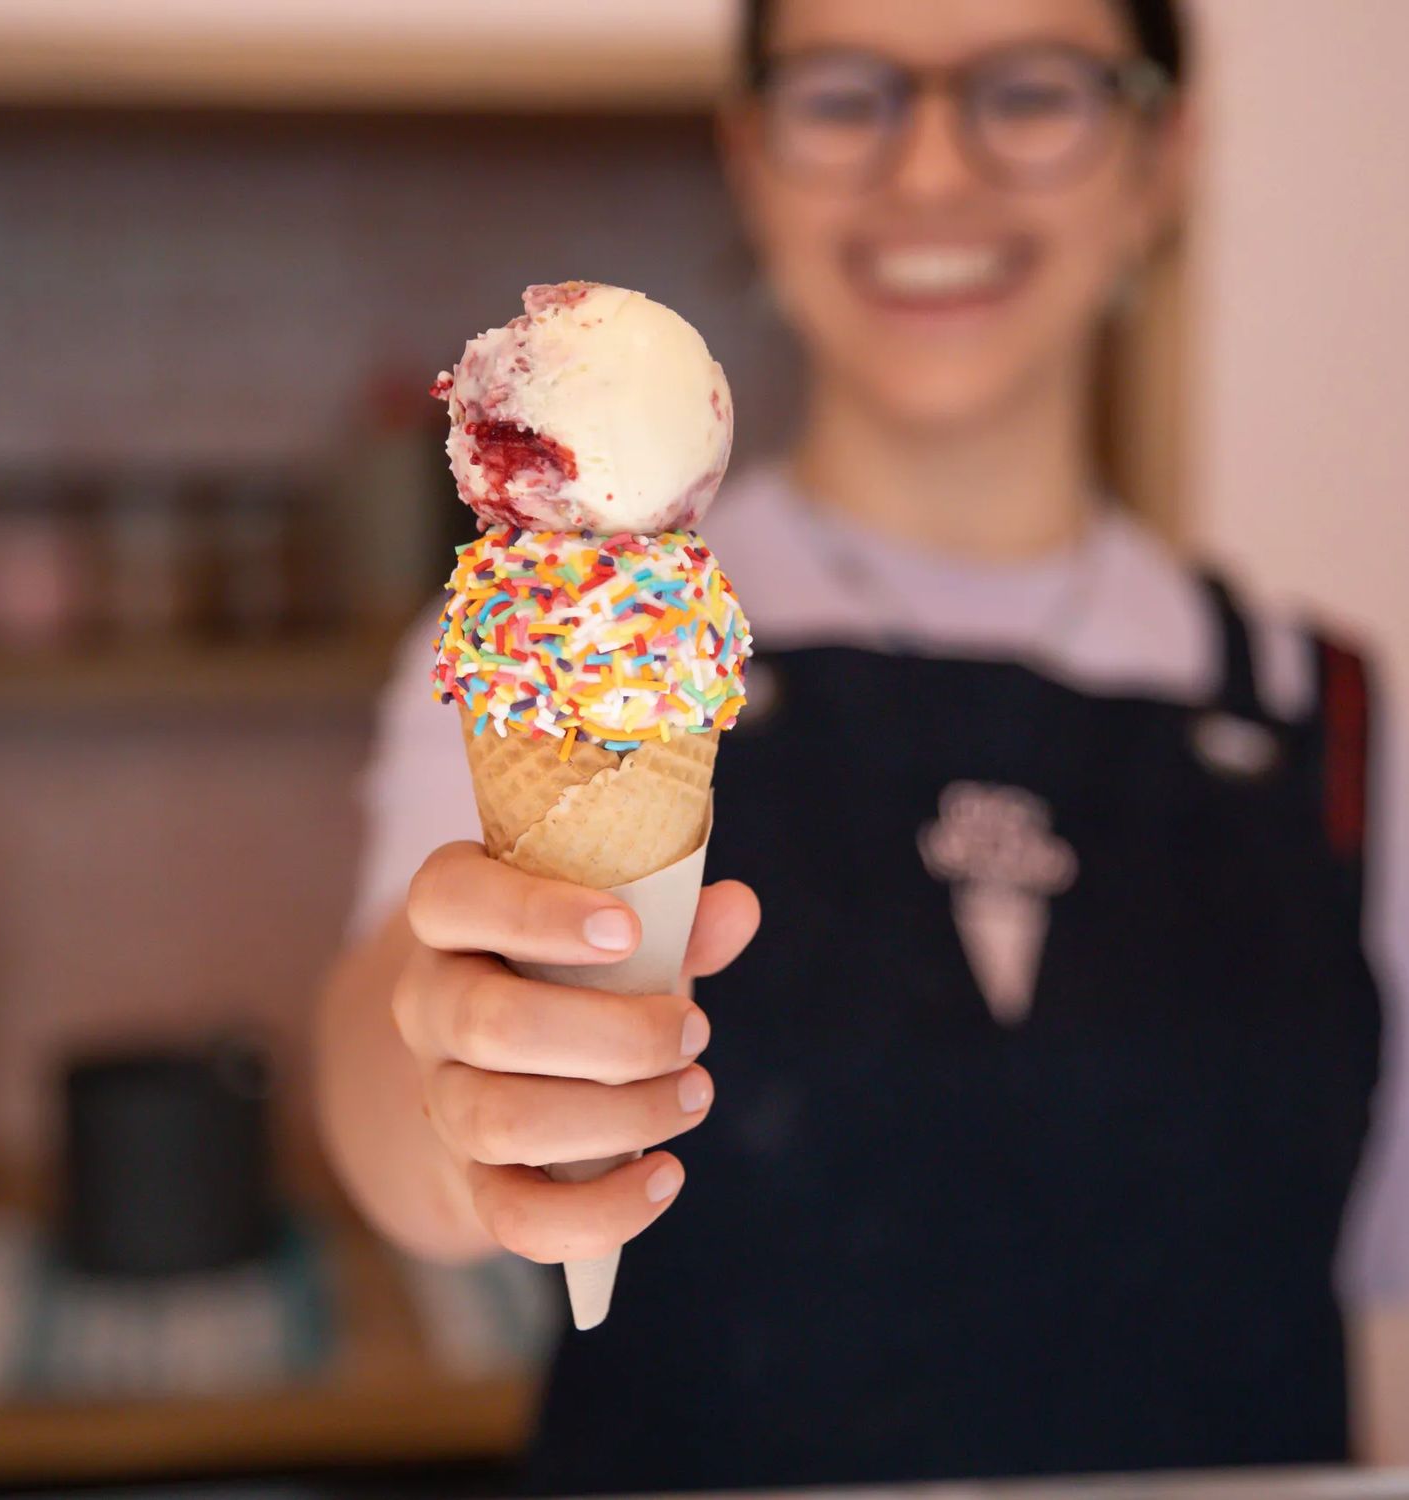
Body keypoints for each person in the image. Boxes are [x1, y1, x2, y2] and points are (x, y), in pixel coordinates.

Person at [316, 0, 1409, 1491]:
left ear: (1163, 157)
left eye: (1034, 90)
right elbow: (395, 1094)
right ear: (750, 155)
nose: (936, 170)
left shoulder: (1329, 713)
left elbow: (1387, 1303)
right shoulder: (557, 652)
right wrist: (460, 1099)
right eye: (848, 94)